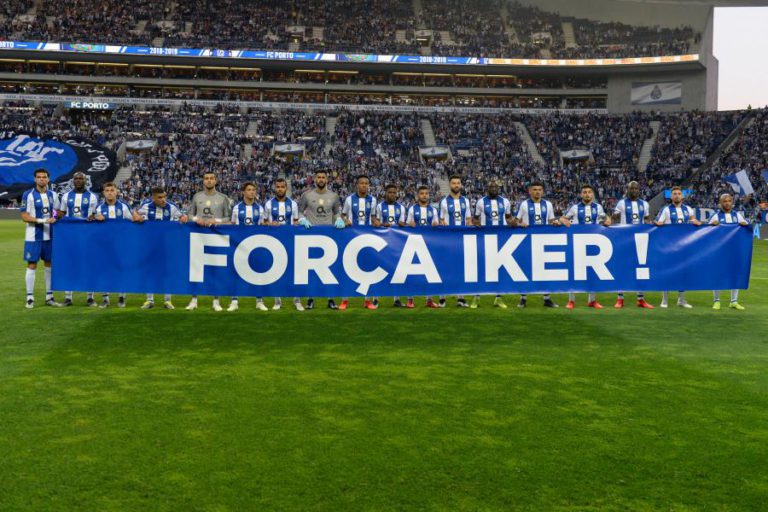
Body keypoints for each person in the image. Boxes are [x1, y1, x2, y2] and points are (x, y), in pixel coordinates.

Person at [135, 187, 189, 309]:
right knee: (150, 272)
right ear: (153, 197)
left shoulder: (172, 207)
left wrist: (184, 217)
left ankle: (168, 301)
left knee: (167, 272)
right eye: (160, 197)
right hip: (150, 246)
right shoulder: (146, 206)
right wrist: (137, 217)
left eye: (164, 196)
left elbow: (183, 217)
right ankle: (149, 300)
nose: (163, 199)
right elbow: (135, 215)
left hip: (166, 246)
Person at [297, 169, 344, 310]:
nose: (321, 179)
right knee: (311, 269)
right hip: (311, 235)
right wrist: (302, 219)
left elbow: (336, 212)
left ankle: (331, 299)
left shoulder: (334, 196)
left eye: (323, 177)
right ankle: (310, 299)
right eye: (319, 177)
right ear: (315, 179)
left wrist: (339, 219)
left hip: (329, 236)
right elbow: (300, 211)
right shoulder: (306, 195)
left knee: (330, 269)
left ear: (327, 180)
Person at [186, 172, 232, 312]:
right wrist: (196, 219)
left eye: (211, 178)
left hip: (216, 236)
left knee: (215, 269)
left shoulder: (223, 198)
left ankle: (216, 301)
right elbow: (189, 215)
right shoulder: (197, 196)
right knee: (196, 268)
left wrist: (215, 220)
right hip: (199, 236)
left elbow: (228, 218)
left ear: (216, 181)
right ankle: (194, 300)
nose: (209, 180)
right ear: (203, 181)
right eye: (206, 178)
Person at [560, 184, 611, 309]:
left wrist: (607, 221)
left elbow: (607, 219)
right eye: (584, 192)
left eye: (589, 192)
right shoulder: (575, 208)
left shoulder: (598, 207)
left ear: (592, 194)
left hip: (593, 243)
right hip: (578, 243)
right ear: (581, 194)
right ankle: (571, 300)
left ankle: (592, 300)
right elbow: (562, 218)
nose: (587, 194)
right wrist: (565, 221)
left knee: (592, 272)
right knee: (574, 271)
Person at [93, 181, 140, 308]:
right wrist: (95, 217)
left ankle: (121, 297)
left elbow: (134, 219)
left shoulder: (124, 206)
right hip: (104, 245)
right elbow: (91, 222)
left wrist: (137, 217)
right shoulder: (98, 208)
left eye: (112, 190)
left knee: (121, 270)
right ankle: (105, 299)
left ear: (116, 192)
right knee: (104, 271)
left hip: (121, 245)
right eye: (107, 190)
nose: (109, 193)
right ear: (103, 193)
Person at [513, 181, 560, 308]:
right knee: (526, 269)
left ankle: (547, 299)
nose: (537, 192)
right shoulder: (524, 204)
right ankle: (523, 298)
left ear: (543, 191)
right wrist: (519, 224)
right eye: (534, 189)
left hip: (544, 241)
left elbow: (551, 220)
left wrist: (555, 222)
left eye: (539, 189)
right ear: (530, 191)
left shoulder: (548, 204)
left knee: (545, 270)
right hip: (527, 242)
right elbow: (515, 221)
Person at [19, 168, 61, 309]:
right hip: (33, 237)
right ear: (35, 179)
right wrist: (43, 221)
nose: (41, 179)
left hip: (50, 236)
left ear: (48, 179)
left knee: (49, 264)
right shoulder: (28, 195)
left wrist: (54, 217)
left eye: (44, 177)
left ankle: (49, 297)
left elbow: (57, 211)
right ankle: (30, 298)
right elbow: (24, 216)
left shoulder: (53, 195)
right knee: (32, 264)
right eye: (39, 177)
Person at [654, 186, 702, 308]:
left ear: (682, 196)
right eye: (674, 193)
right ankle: (664, 300)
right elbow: (658, 222)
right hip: (669, 247)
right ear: (671, 196)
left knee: (683, 273)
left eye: (679, 193)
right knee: (667, 272)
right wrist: (656, 223)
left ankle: (681, 300)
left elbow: (693, 220)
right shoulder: (665, 210)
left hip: (684, 247)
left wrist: (697, 222)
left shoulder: (688, 209)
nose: (677, 195)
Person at [57, 172, 99, 307]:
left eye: (81, 178)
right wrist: (54, 215)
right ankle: (68, 297)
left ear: (85, 180)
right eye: (76, 178)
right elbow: (62, 213)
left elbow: (96, 214)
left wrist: (94, 216)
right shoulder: (66, 196)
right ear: (73, 181)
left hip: (88, 236)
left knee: (89, 265)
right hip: (71, 236)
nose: (79, 180)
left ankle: (90, 298)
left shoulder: (93, 196)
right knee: (69, 265)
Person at [611, 181, 655, 309]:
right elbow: (614, 217)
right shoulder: (621, 203)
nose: (634, 190)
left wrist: (651, 224)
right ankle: (620, 298)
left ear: (639, 190)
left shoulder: (644, 204)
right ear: (627, 189)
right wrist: (608, 221)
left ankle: (640, 299)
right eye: (632, 188)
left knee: (641, 268)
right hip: (624, 239)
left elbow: (646, 219)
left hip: (640, 240)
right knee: (622, 268)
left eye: (636, 188)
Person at [262, 178, 304, 311]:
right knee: (276, 272)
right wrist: (270, 223)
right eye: (278, 187)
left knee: (294, 272)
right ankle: (277, 301)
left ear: (286, 188)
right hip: (274, 243)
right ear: (275, 188)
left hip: (290, 241)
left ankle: (297, 300)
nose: (280, 189)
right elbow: (263, 223)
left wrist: (299, 223)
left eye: (282, 187)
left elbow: (296, 221)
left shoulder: (293, 204)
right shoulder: (268, 204)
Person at [472, 180, 512, 309]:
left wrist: (515, 223)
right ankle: (476, 297)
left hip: (501, 239)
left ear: (498, 188)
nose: (494, 188)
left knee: (499, 270)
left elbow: (508, 218)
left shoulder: (505, 202)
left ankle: (498, 298)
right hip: (484, 239)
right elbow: (475, 219)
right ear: (487, 188)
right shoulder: (481, 202)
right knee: (481, 268)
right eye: (491, 186)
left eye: (495, 186)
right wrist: (477, 224)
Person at [341, 175, 379, 310]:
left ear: (369, 185)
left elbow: (373, 217)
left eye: (366, 183)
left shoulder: (373, 200)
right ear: (357, 185)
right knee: (347, 269)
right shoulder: (349, 199)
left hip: (367, 238)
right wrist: (345, 220)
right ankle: (344, 300)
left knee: (368, 269)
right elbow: (343, 214)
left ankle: (367, 300)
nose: (364, 185)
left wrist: (376, 222)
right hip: (351, 237)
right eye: (361, 183)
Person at [228, 182, 265, 312]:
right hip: (239, 245)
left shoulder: (260, 209)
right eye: (249, 190)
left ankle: (259, 301)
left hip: (255, 246)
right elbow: (232, 225)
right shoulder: (237, 208)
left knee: (258, 274)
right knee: (235, 273)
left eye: (253, 190)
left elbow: (262, 226)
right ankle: (234, 301)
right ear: (243, 192)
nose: (252, 192)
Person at [709, 193, 749, 311]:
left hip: (734, 250)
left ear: (732, 202)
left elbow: (747, 227)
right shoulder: (715, 216)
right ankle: (716, 301)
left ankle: (734, 301)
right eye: (724, 201)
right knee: (717, 275)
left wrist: (745, 224)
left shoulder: (737, 216)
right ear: (720, 203)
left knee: (735, 274)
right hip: (719, 251)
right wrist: (711, 225)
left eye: (729, 201)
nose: (727, 203)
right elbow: (706, 232)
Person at [438, 175, 472, 308]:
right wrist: (442, 223)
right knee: (445, 268)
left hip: (462, 240)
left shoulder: (466, 201)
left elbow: (468, 220)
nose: (456, 185)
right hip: (448, 240)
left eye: (458, 183)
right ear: (450, 185)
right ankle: (442, 297)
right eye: (454, 183)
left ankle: (461, 298)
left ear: (461, 185)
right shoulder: (444, 202)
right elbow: (441, 220)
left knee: (461, 269)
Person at [405, 185, 440, 309]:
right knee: (411, 273)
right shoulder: (412, 209)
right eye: (422, 193)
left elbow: (437, 224)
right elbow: (406, 225)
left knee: (430, 273)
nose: (424, 195)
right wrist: (409, 224)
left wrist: (436, 224)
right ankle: (410, 299)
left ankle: (429, 299)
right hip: (414, 243)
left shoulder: (433, 210)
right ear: (417, 195)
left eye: (426, 193)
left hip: (428, 244)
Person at [374, 184, 406, 307]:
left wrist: (402, 224)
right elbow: (376, 223)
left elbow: (402, 223)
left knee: (396, 272)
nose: (392, 194)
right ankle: (375, 299)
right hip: (381, 242)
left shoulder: (401, 208)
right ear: (385, 193)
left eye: (394, 192)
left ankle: (396, 299)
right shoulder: (379, 206)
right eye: (390, 192)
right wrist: (383, 224)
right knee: (378, 270)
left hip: (396, 243)